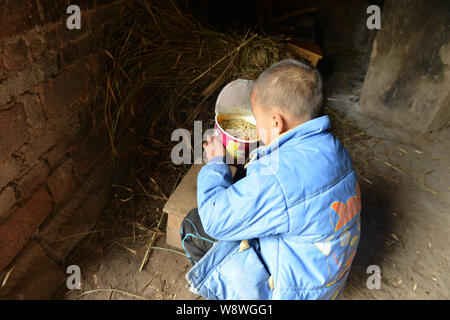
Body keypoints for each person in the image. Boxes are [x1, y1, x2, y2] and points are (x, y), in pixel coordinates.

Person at [180, 59, 361, 300]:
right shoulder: (334, 149)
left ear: (276, 122)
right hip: (325, 280)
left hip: (290, 293)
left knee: (194, 225)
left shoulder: (278, 178)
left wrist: (216, 163)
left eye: (257, 118)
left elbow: (215, 220)